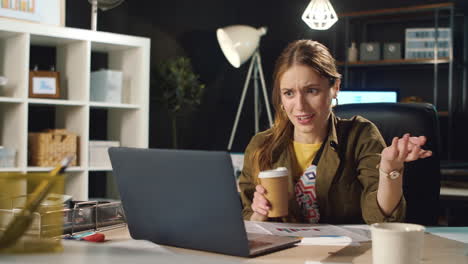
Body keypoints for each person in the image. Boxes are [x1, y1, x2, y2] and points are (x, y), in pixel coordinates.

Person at [238, 39, 432, 224]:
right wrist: (258, 214)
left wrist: (389, 169)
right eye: (289, 93)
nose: (300, 106)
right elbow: (247, 221)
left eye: (312, 91)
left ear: (335, 88)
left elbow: (381, 220)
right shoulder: (261, 145)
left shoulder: (360, 136)